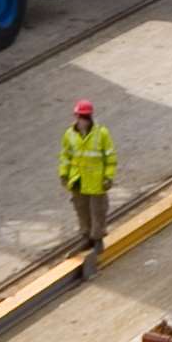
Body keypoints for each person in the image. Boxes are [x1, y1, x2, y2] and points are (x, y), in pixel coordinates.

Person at [59, 99, 116, 251]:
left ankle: (97, 239)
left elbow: (110, 158)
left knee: (98, 211)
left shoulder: (101, 134)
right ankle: (86, 237)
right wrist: (64, 174)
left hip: (97, 181)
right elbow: (66, 156)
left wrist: (108, 177)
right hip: (78, 180)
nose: (83, 120)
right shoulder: (69, 134)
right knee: (82, 210)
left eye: (85, 117)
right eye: (80, 117)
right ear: (76, 116)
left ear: (90, 117)